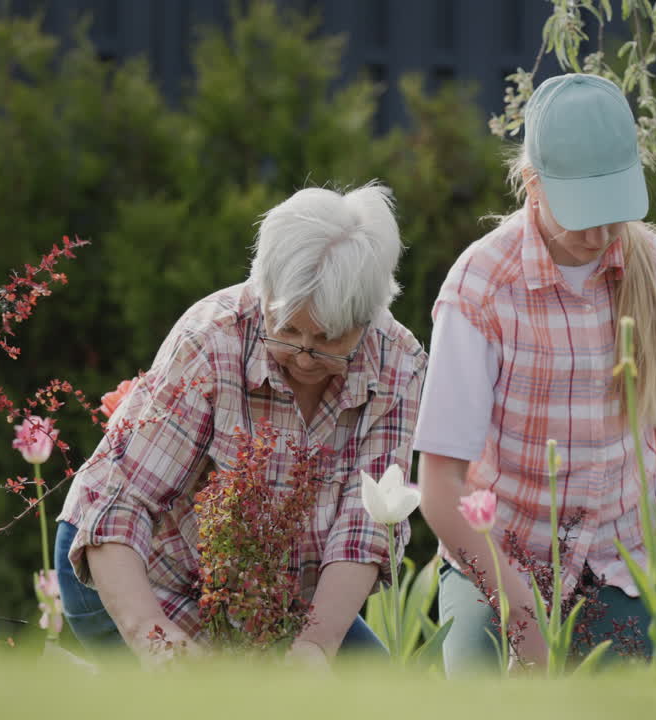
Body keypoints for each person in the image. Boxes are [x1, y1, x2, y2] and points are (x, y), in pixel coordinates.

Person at [414, 73, 656, 675]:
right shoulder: (481, 287)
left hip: (619, 568)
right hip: (496, 561)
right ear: (533, 184)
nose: (601, 235)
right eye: (583, 213)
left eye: (614, 211)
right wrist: (520, 610)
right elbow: (440, 485)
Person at [55, 182, 426, 666]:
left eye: (327, 339)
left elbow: (365, 526)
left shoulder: (399, 365)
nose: (303, 356)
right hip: (133, 569)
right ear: (267, 294)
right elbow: (121, 502)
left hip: (269, 594)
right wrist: (153, 640)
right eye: (287, 330)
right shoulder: (211, 340)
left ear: (367, 320)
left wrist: (314, 648)